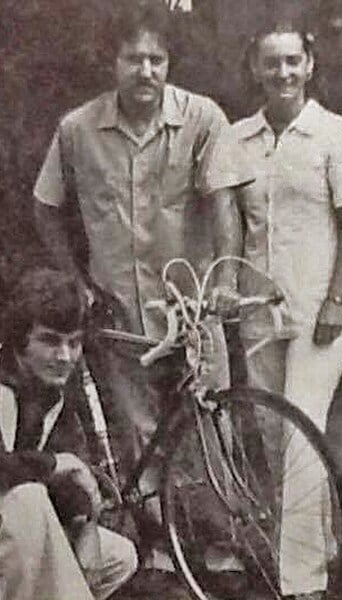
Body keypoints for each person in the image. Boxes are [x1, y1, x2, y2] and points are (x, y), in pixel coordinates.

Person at [31, 0, 251, 557]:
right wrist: (75, 279)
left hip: (190, 310)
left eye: (156, 59)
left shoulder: (203, 119)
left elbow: (224, 204)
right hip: (120, 317)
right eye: (134, 59)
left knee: (210, 425)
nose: (146, 71)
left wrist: (222, 280)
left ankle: (220, 545)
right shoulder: (77, 129)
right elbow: (46, 207)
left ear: (169, 63)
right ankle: (160, 547)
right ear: (114, 64)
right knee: (140, 435)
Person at [232, 16, 342, 600]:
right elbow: (233, 224)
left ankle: (301, 583)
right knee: (272, 434)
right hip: (260, 311)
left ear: (309, 65)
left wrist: (337, 297)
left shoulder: (338, 134)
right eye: (272, 62)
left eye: (293, 61)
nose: (283, 72)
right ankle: (323, 548)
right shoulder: (237, 139)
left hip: (320, 310)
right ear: (256, 70)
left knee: (301, 429)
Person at [0, 268, 138, 599]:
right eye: (49, 341)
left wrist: (85, 524)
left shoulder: (51, 389)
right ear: (20, 339)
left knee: (116, 556)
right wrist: (57, 464)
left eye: (73, 343)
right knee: (28, 501)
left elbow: (68, 477)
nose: (64, 357)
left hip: (14, 538)